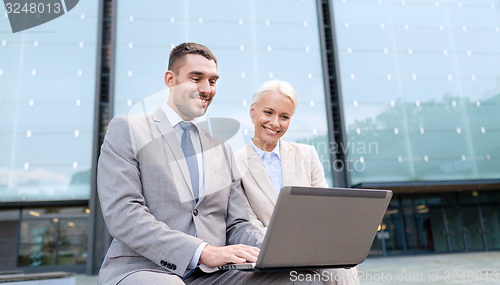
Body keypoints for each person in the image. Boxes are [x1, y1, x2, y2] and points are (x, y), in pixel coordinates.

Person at [97, 43, 324, 285]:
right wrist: (203, 251)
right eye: (196, 79)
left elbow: (237, 223)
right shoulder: (128, 129)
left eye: (213, 82)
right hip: (144, 269)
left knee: (301, 279)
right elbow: (124, 214)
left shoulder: (222, 148)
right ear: (170, 79)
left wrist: (279, 250)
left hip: (214, 274)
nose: (206, 89)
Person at [235, 80, 360, 285]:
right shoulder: (235, 163)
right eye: (268, 113)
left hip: (316, 246)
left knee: (342, 267)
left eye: (284, 117)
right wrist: (293, 244)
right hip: (270, 252)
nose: (275, 123)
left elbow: (325, 209)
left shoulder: (306, 154)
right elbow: (247, 222)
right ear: (253, 111)